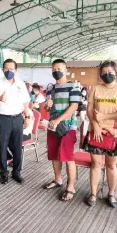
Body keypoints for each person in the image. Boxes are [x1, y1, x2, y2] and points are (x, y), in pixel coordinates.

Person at [83, 61, 117, 208]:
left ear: (116, 72)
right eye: (103, 73)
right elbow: (90, 111)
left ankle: (111, 194)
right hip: (96, 132)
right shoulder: (96, 89)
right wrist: (96, 125)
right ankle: (93, 192)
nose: (107, 75)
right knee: (96, 164)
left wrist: (105, 118)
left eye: (110, 72)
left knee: (111, 165)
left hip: (115, 133)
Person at [43, 59, 81, 202]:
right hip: (53, 126)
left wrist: (58, 120)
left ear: (66, 70)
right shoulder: (50, 88)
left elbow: (73, 107)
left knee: (68, 156)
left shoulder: (73, 86)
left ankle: (71, 186)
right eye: (54, 69)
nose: (56, 71)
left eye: (59, 68)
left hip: (68, 127)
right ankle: (58, 180)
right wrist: (47, 105)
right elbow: (47, 108)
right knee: (54, 155)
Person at [0, 59, 31, 184]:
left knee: (18, 146)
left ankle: (16, 172)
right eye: (6, 69)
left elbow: (25, 102)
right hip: (4, 119)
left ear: (16, 70)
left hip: (18, 118)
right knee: (2, 146)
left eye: (11, 69)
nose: (9, 71)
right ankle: (4, 173)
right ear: (2, 70)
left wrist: (27, 117)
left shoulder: (20, 84)